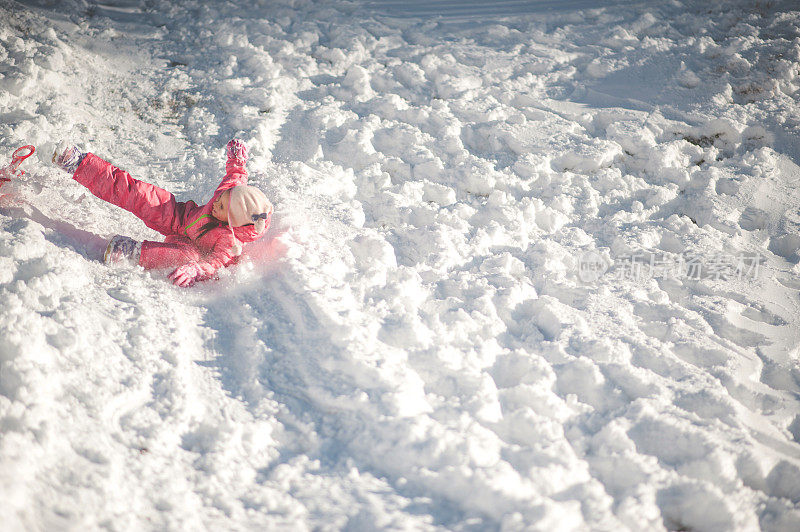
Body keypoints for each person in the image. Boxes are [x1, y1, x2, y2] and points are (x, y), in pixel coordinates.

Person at [52, 139, 273, 287]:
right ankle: (79, 163)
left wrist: (196, 270)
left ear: (233, 222)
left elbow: (215, 263)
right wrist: (238, 159)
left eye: (222, 208)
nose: (217, 203)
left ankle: (131, 252)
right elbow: (237, 174)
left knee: (188, 257)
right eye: (221, 198)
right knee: (140, 193)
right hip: (181, 216)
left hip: (187, 247)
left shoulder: (230, 242)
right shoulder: (230, 192)